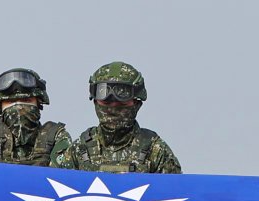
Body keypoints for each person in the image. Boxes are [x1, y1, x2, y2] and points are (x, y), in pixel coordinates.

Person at [52, 63, 183, 175]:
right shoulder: (81, 149)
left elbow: (177, 195)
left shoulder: (154, 149)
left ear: (136, 104)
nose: (113, 108)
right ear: (96, 102)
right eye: (107, 104)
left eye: (121, 104)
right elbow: (53, 192)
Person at [0, 68, 70, 167]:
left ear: (39, 103)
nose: (19, 107)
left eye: (26, 100)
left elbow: (64, 178)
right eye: (10, 102)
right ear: (0, 107)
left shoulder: (55, 136)